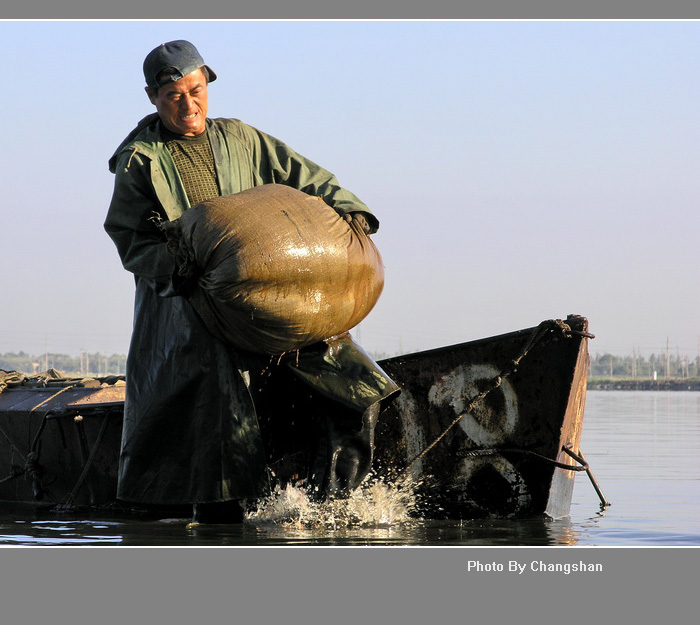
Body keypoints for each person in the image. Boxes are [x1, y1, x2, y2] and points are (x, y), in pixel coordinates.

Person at [104, 40, 399, 524]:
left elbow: (308, 177)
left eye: (196, 90)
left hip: (274, 297)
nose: (189, 104)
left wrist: (352, 209)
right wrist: (176, 267)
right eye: (174, 95)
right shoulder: (141, 160)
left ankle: (340, 509)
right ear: (153, 99)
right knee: (216, 409)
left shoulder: (242, 138)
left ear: (207, 85)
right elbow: (129, 241)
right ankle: (223, 519)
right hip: (191, 307)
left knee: (355, 385)